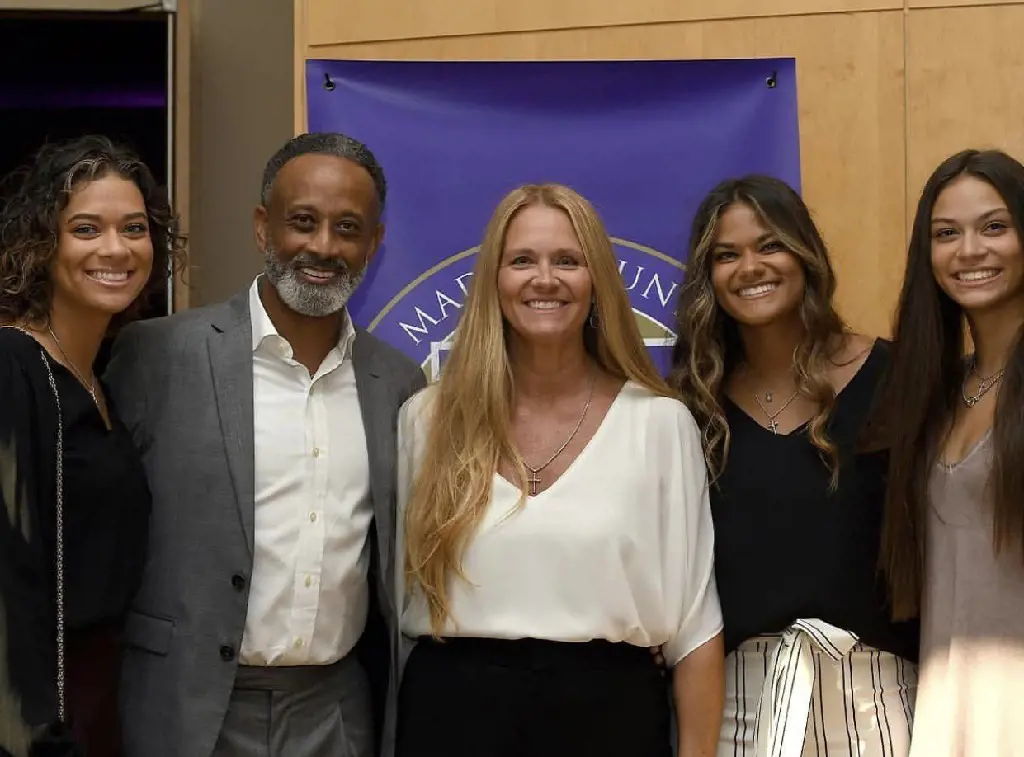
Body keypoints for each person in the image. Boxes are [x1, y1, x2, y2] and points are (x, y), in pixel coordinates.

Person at [103, 132, 426, 757]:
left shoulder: (400, 384)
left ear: (375, 243)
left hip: (337, 712)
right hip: (186, 709)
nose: (323, 246)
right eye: (301, 222)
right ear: (262, 228)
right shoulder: (158, 356)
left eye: (348, 227)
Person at [394, 183, 724, 757]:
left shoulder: (660, 424)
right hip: (453, 718)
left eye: (567, 261)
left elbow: (696, 629)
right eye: (522, 260)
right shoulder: (427, 419)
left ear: (596, 281)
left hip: (610, 720)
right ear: (493, 283)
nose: (544, 279)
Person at [668, 175, 918, 756]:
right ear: (708, 279)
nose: (749, 266)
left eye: (769, 244)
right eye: (726, 255)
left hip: (876, 700)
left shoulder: (898, 379)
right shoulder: (689, 408)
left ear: (805, 253)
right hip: (737, 710)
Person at [0, 134, 184, 756]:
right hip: (36, 716)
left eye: (134, 228)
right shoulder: (11, 365)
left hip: (99, 697)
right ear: (41, 244)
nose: (115, 249)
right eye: (86, 228)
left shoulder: (97, 376)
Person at [865, 149, 1024, 755]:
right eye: (945, 234)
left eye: (994, 226)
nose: (969, 251)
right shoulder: (932, 398)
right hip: (947, 711)